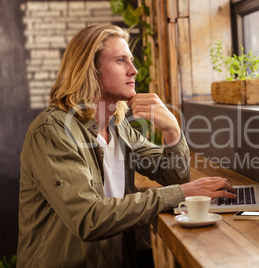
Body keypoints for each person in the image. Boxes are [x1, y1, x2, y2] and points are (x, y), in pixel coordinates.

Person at [17, 24, 236, 268]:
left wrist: (172, 131)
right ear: (90, 70)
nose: (134, 70)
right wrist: (182, 193)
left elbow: (172, 175)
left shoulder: (118, 127)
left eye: (130, 60)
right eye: (121, 60)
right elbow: (88, 218)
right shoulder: (52, 130)